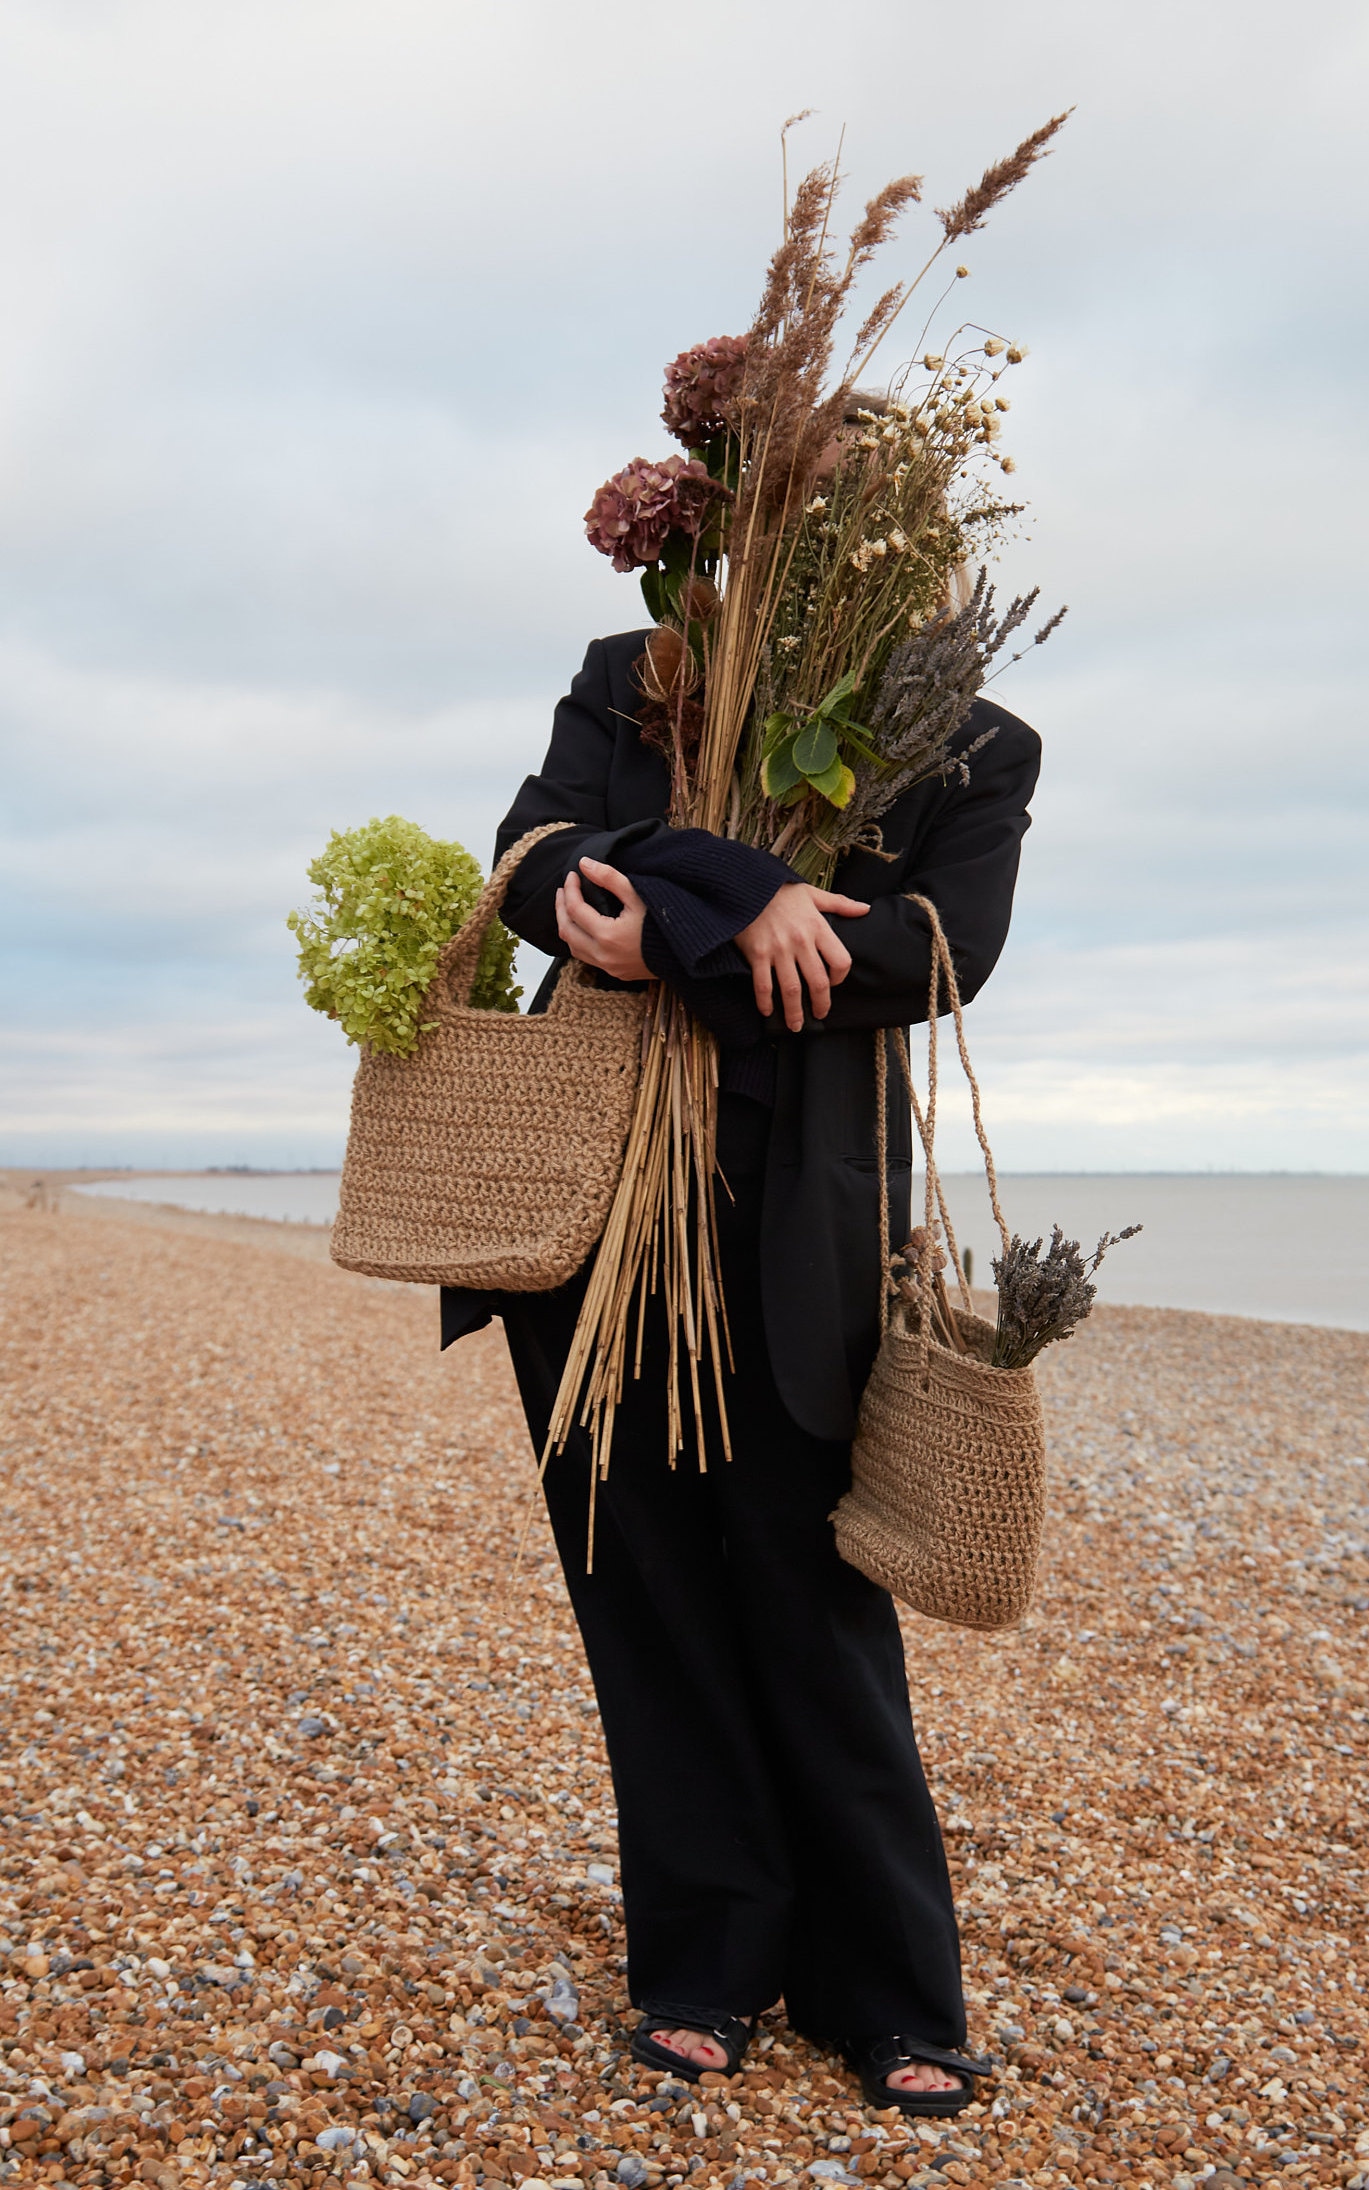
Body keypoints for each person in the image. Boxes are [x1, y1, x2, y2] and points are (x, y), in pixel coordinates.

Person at [440, 629, 1040, 2117]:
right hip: (581, 1216)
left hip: (798, 1234)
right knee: (642, 1595)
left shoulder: (975, 739)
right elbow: (531, 859)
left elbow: (928, 951)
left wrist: (676, 929)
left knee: (814, 1601)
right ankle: (704, 1961)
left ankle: (886, 1987)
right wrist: (746, 898)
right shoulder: (640, 669)